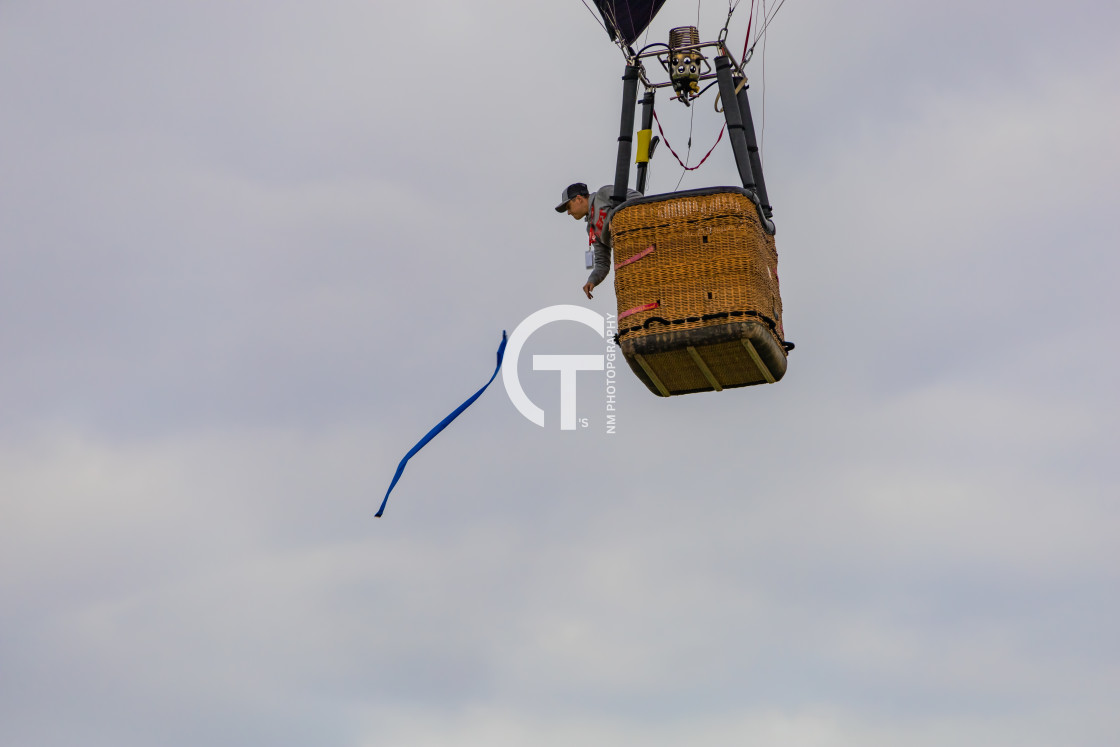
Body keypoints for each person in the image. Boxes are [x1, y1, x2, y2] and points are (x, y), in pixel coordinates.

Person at [555, 182, 641, 299]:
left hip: (645, 236)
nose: (568, 212)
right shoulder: (591, 229)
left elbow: (637, 198)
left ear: (579, 199)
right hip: (635, 258)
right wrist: (592, 280)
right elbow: (603, 263)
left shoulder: (603, 194)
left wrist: (616, 216)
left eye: (568, 207)